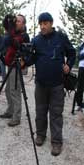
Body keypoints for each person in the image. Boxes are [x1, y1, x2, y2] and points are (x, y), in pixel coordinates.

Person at [26, 12, 76, 156]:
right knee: (40, 111)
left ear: (51, 23)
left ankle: (56, 142)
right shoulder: (36, 40)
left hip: (57, 84)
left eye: (45, 23)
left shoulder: (61, 37)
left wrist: (69, 65)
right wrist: (24, 61)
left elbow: (72, 53)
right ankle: (41, 135)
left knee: (56, 114)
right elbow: (31, 59)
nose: (42, 26)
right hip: (40, 84)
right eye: (40, 24)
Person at [0, 14, 30, 127]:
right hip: (9, 64)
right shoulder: (12, 33)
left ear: (23, 24)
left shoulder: (24, 36)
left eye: (18, 21)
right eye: (15, 21)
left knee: (15, 91)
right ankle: (10, 110)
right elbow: (6, 40)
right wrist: (6, 20)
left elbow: (19, 47)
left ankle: (16, 117)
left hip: (17, 66)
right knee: (8, 90)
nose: (16, 22)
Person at [75, 28, 84, 115]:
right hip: (82, 67)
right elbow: (78, 56)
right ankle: (78, 104)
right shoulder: (83, 44)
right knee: (79, 86)